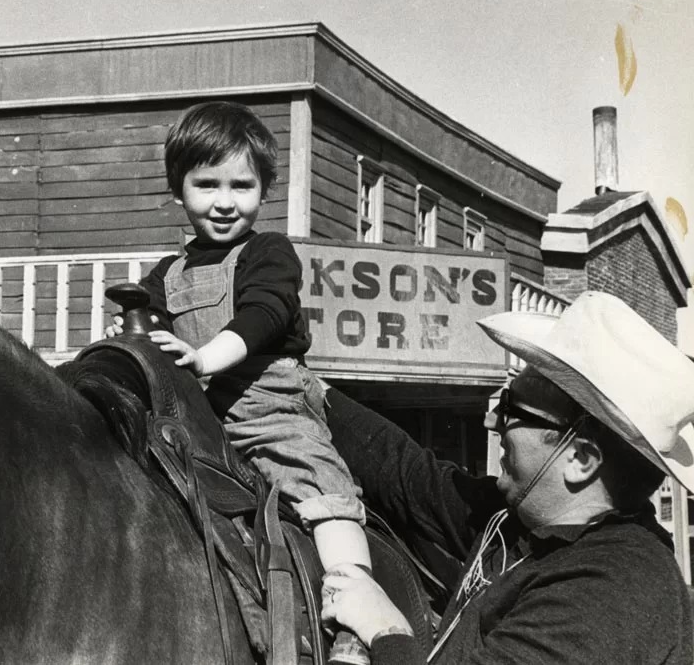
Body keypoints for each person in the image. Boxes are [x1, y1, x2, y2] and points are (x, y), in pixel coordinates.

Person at [107, 101, 374, 664]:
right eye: (206, 185)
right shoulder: (166, 274)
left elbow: (264, 315)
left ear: (263, 190)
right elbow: (152, 336)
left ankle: (354, 611)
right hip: (197, 421)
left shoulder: (268, 254)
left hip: (270, 405)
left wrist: (205, 357)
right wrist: (135, 335)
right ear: (178, 190)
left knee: (322, 491)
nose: (225, 202)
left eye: (242, 185)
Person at [319, 290, 694, 664]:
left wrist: (385, 629)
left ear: (580, 458)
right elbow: (410, 474)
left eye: (511, 408)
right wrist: (308, 388)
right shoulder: (523, 521)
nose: (490, 421)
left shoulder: (611, 590)